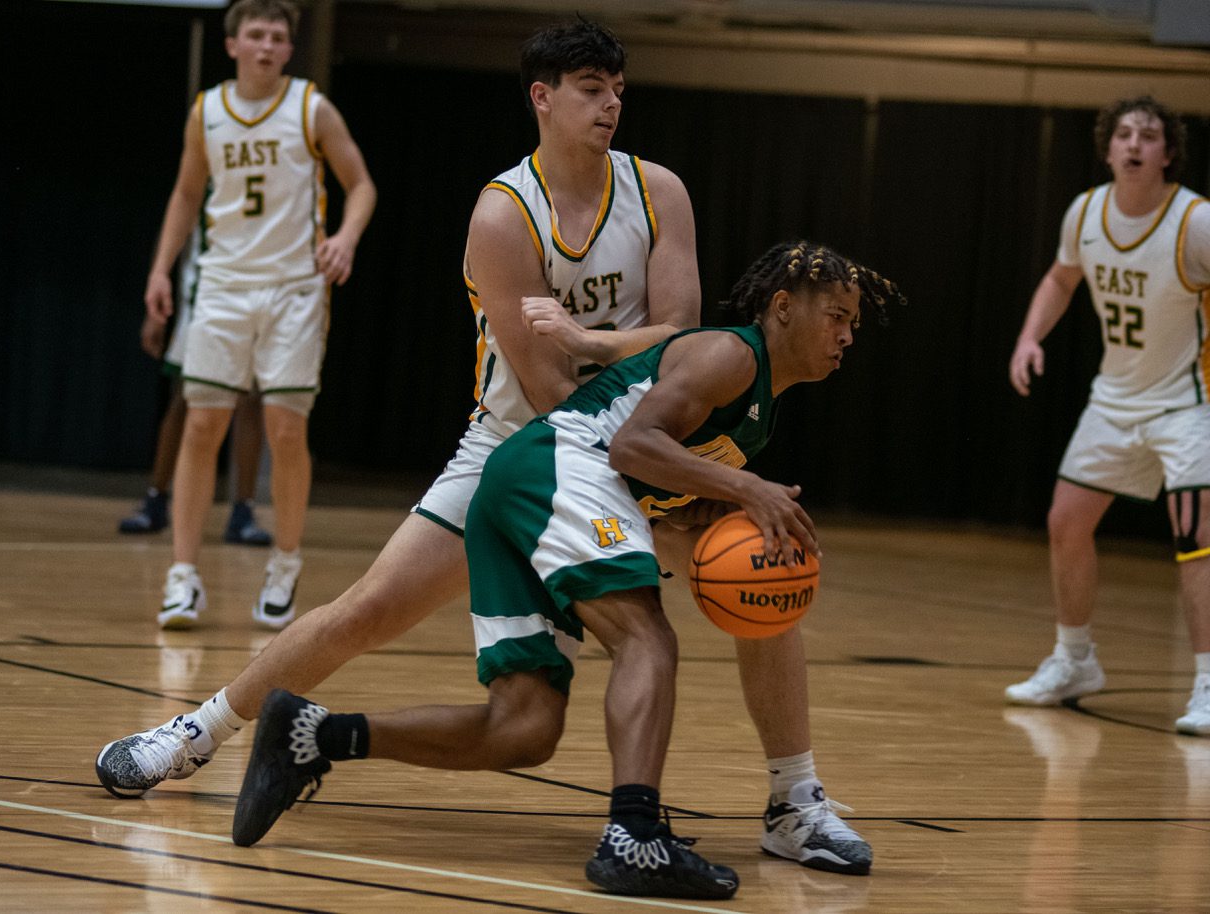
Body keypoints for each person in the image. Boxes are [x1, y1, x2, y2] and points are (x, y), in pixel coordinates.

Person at [97, 19, 872, 877]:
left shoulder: (659, 191)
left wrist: (595, 346)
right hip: (526, 445)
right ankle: (193, 732)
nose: (610, 105)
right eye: (590, 89)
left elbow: (679, 337)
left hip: (638, 436)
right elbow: (547, 387)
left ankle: (794, 801)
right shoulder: (504, 214)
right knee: (369, 609)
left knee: (766, 567)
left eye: (617, 90)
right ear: (542, 97)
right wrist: (644, 463)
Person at [230, 241, 903, 902]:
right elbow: (632, 446)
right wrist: (747, 488)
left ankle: (310, 734)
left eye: (853, 323)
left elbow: (653, 476)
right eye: (836, 316)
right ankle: (633, 836)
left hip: (522, 487)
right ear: (783, 307)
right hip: (557, 464)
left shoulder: (759, 405)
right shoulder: (730, 354)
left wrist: (705, 508)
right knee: (646, 638)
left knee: (523, 730)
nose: (847, 335)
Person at [140, 0, 375, 631]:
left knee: (286, 430)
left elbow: (361, 184)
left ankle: (285, 565)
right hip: (222, 285)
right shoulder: (207, 111)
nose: (268, 46)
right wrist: (161, 269)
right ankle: (182, 576)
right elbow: (186, 193)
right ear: (233, 44)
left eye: (278, 37)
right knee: (201, 425)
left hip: (294, 287)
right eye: (256, 35)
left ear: (289, 48)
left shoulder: (311, 107)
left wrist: (346, 237)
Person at [1005, 95, 1210, 735]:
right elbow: (1062, 278)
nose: (1134, 144)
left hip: (1189, 402)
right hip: (1115, 398)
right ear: (1107, 147)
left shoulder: (1196, 221)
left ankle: (1209, 683)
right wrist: (1029, 338)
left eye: (1148, 135)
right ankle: (1075, 660)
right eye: (1123, 134)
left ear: (1168, 153)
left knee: (1196, 536)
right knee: (1066, 521)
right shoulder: (1086, 211)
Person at [120, 238, 272, 547]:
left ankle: (243, 511)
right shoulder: (195, 204)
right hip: (205, 301)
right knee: (184, 400)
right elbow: (171, 235)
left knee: (250, 400)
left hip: (256, 297)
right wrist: (155, 303)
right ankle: (156, 499)